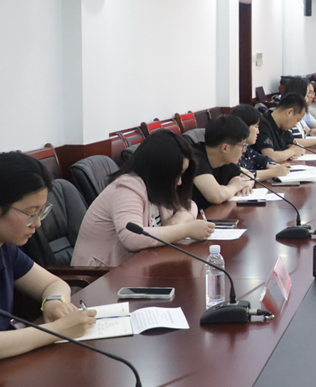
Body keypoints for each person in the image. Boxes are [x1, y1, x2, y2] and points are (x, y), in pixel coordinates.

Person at [0, 152, 97, 381]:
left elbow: (53, 284)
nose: (38, 223)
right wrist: (57, 330)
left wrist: (53, 303)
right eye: (31, 213)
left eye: (42, 212)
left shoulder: (0, 245)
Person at [72, 131, 214, 267]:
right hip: (101, 275)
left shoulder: (157, 186)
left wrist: (179, 220)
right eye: (177, 174)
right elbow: (132, 237)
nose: (179, 182)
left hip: (138, 266)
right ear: (160, 170)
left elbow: (189, 204)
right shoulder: (127, 188)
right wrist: (185, 230)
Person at [191, 115, 255, 210]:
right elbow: (217, 196)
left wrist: (246, 185)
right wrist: (235, 187)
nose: (244, 150)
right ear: (225, 148)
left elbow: (248, 174)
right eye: (243, 145)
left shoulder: (223, 160)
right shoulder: (195, 158)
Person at [254, 93, 316, 163]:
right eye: (297, 120)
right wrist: (291, 152)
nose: (295, 125)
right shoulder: (262, 125)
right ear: (289, 112)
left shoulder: (282, 126)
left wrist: (288, 153)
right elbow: (270, 156)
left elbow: (296, 146)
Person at [230, 104, 291, 180]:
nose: (258, 132)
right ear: (244, 127)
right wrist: (273, 172)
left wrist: (273, 166)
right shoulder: (232, 153)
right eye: (256, 127)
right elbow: (241, 175)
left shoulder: (247, 149)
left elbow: (263, 159)